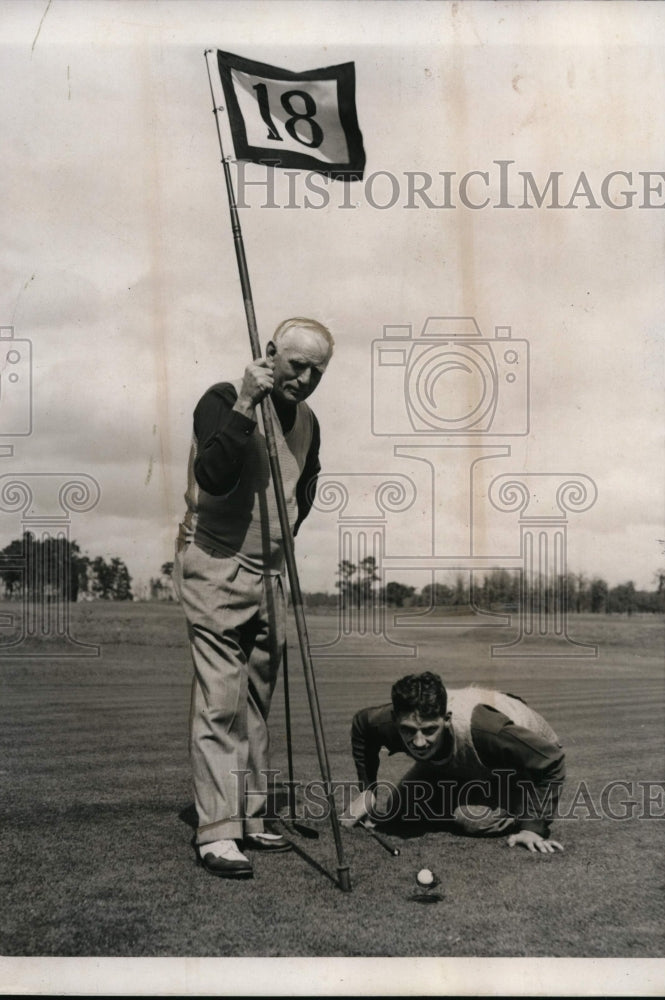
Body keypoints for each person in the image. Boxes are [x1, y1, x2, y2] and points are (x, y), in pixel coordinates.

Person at [174, 317, 334, 879]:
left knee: (258, 701)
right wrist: (247, 400)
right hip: (215, 562)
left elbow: (304, 490)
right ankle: (217, 832)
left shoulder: (309, 421)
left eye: (319, 370)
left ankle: (251, 815)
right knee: (221, 698)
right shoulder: (222, 398)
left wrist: (280, 546)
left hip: (270, 574)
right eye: (297, 365)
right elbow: (213, 476)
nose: (308, 377)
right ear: (270, 354)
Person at [342, 671, 565, 854]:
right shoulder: (391, 720)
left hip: (515, 761)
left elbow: (551, 759)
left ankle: (516, 805)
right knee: (399, 808)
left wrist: (533, 827)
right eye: (408, 731)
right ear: (395, 721)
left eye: (430, 730)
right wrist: (368, 791)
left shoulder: (484, 730)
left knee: (471, 819)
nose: (418, 742)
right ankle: (459, 793)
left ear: (446, 720)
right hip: (461, 756)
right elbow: (362, 725)